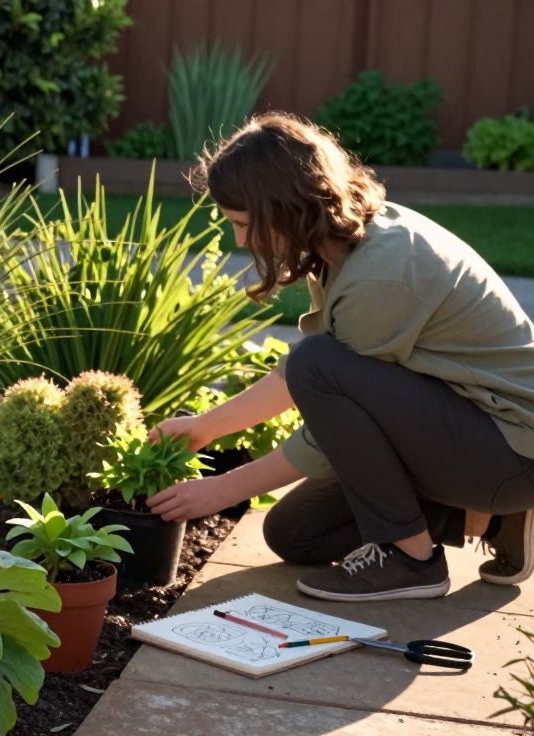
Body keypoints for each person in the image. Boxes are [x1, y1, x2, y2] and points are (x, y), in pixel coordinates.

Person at [146, 112, 534, 602]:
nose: (240, 241)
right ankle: (494, 517)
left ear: (284, 207)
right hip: (467, 432)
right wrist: (206, 427)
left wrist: (224, 490)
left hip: (514, 447)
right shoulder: (343, 242)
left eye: (245, 224)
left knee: (319, 361)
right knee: (295, 534)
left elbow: (326, 400)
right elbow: (307, 379)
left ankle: (413, 560)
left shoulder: (382, 272)